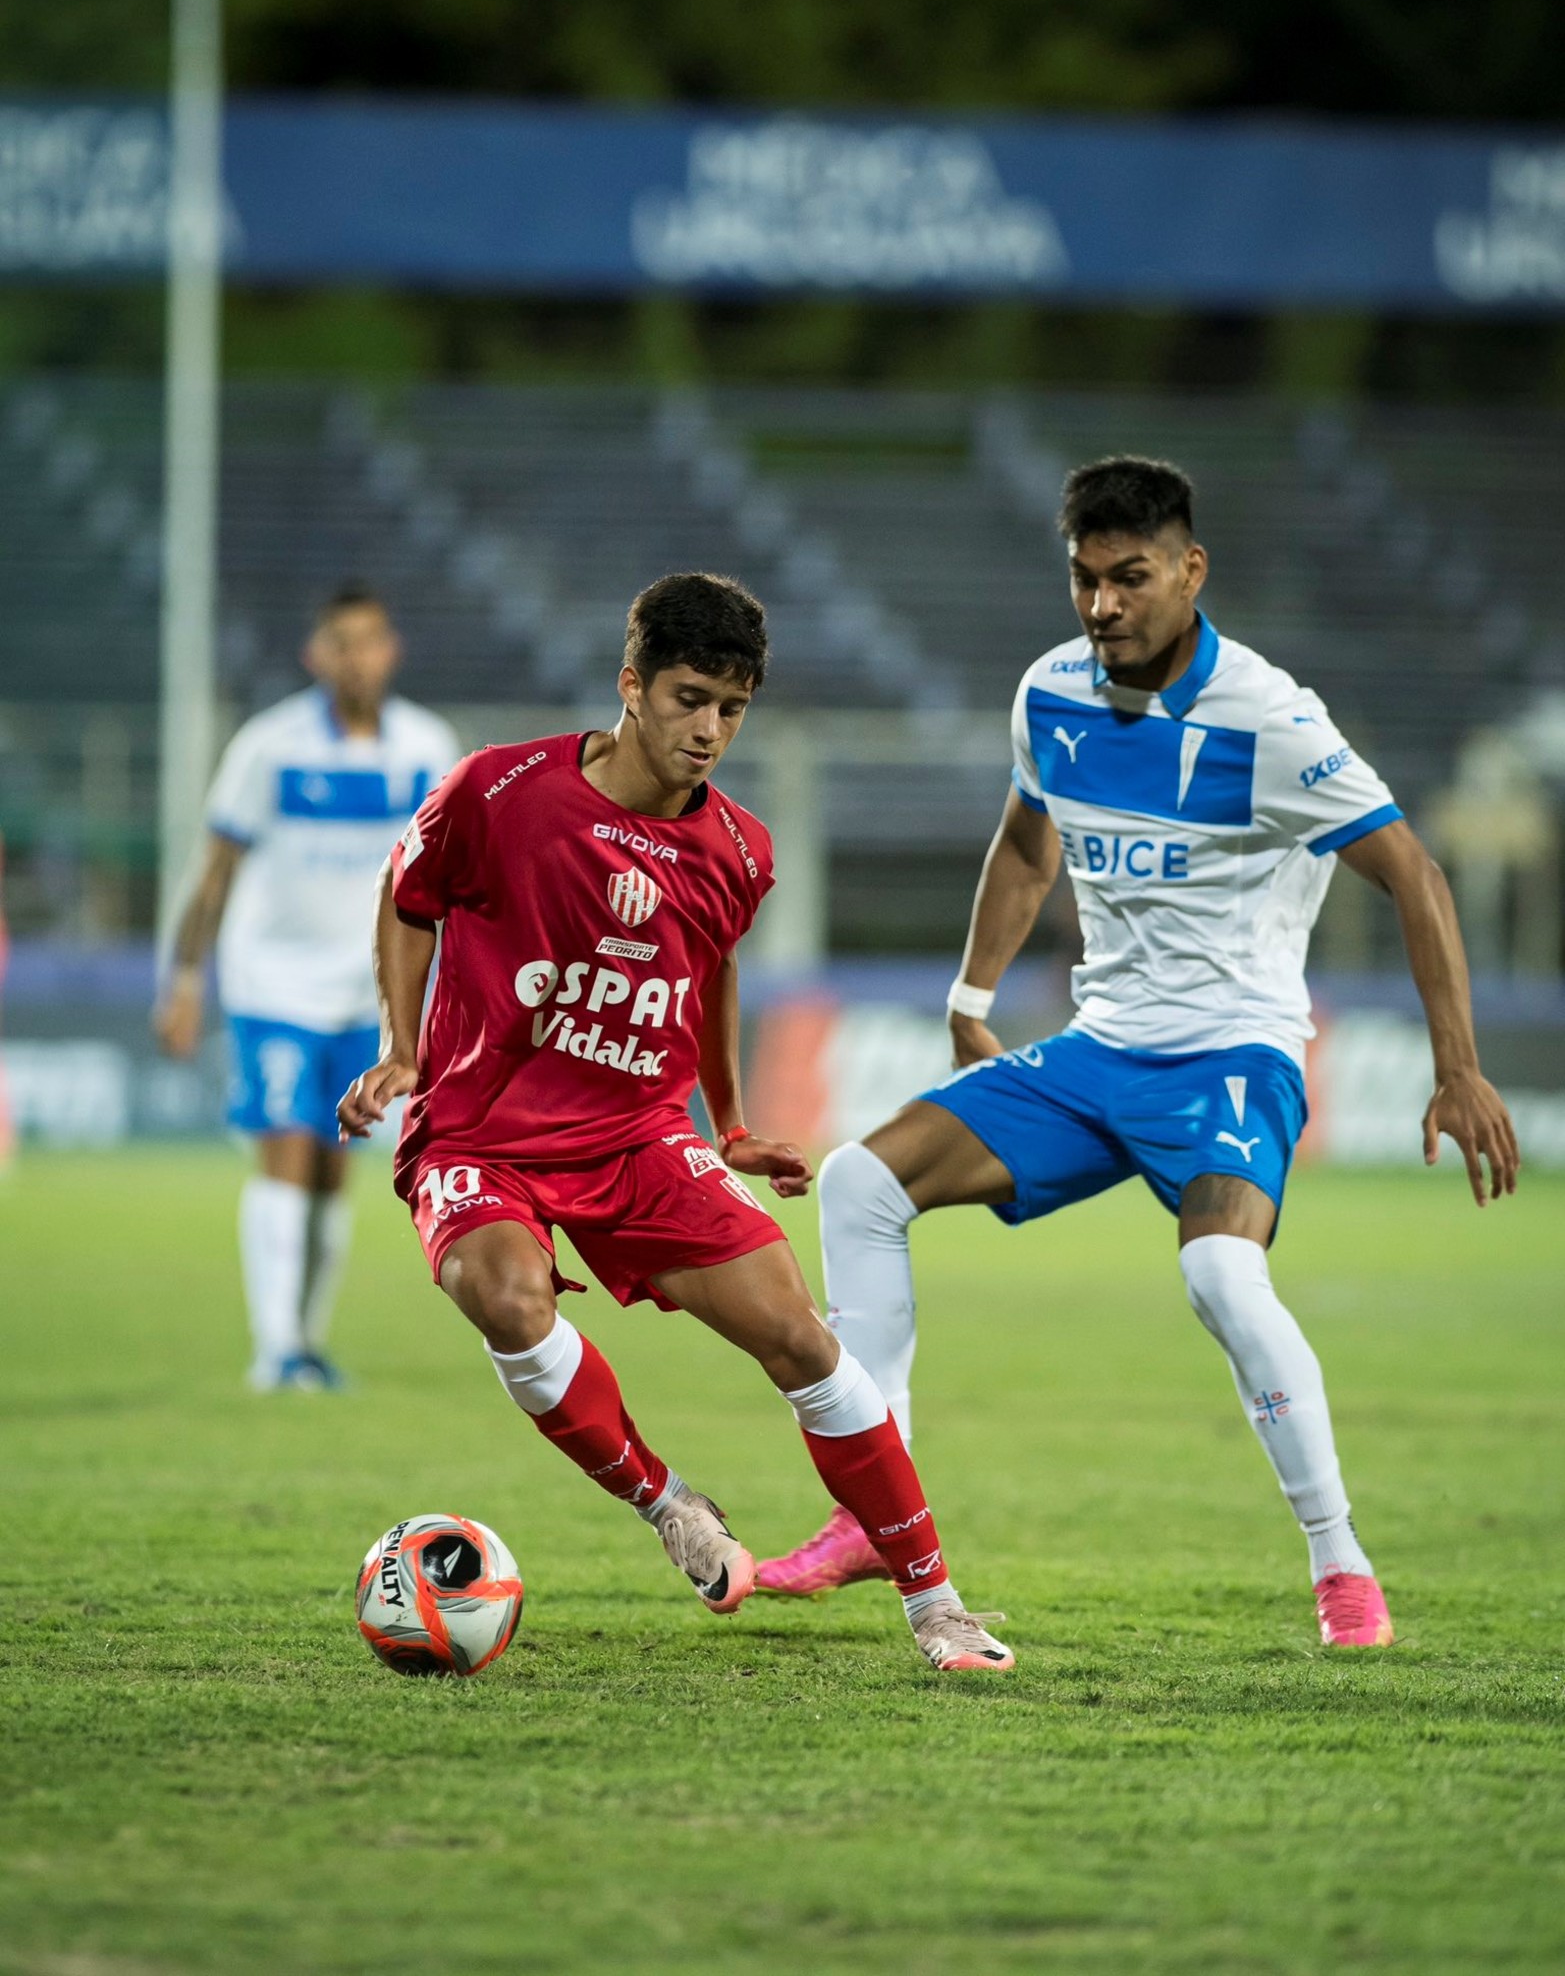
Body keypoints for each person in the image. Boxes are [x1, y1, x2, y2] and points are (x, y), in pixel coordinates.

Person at [756, 457, 1519, 1648]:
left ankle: (1338, 1560)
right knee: (859, 1181)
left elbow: (1413, 872)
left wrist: (1458, 1065)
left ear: (1187, 571)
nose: (1102, 605)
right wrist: (971, 992)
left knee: (1219, 1274)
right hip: (1096, 1052)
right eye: (1083, 579)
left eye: (1129, 577)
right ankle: (874, 1504)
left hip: (1232, 1058)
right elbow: (1024, 842)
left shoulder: (1270, 719)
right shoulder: (1049, 693)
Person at [336, 571, 1013, 1672]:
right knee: (504, 1298)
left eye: (731, 708)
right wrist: (401, 1047)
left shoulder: (739, 848)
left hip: (640, 1133)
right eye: (690, 698)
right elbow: (409, 897)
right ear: (630, 684)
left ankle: (936, 1605)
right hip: (481, 1132)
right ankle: (666, 1501)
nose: (709, 730)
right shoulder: (497, 791)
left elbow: (708, 967)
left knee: (801, 1337)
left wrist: (730, 1119)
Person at [154, 589, 459, 1390]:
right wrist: (183, 978)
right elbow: (214, 871)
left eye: (368, 641)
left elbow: (453, 879)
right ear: (314, 655)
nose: (354, 657)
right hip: (273, 981)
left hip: (372, 993)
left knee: (333, 1165)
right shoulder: (270, 744)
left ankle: (307, 1344)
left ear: (390, 649)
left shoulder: (428, 747)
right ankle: (275, 1348)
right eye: (339, 643)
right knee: (286, 1143)